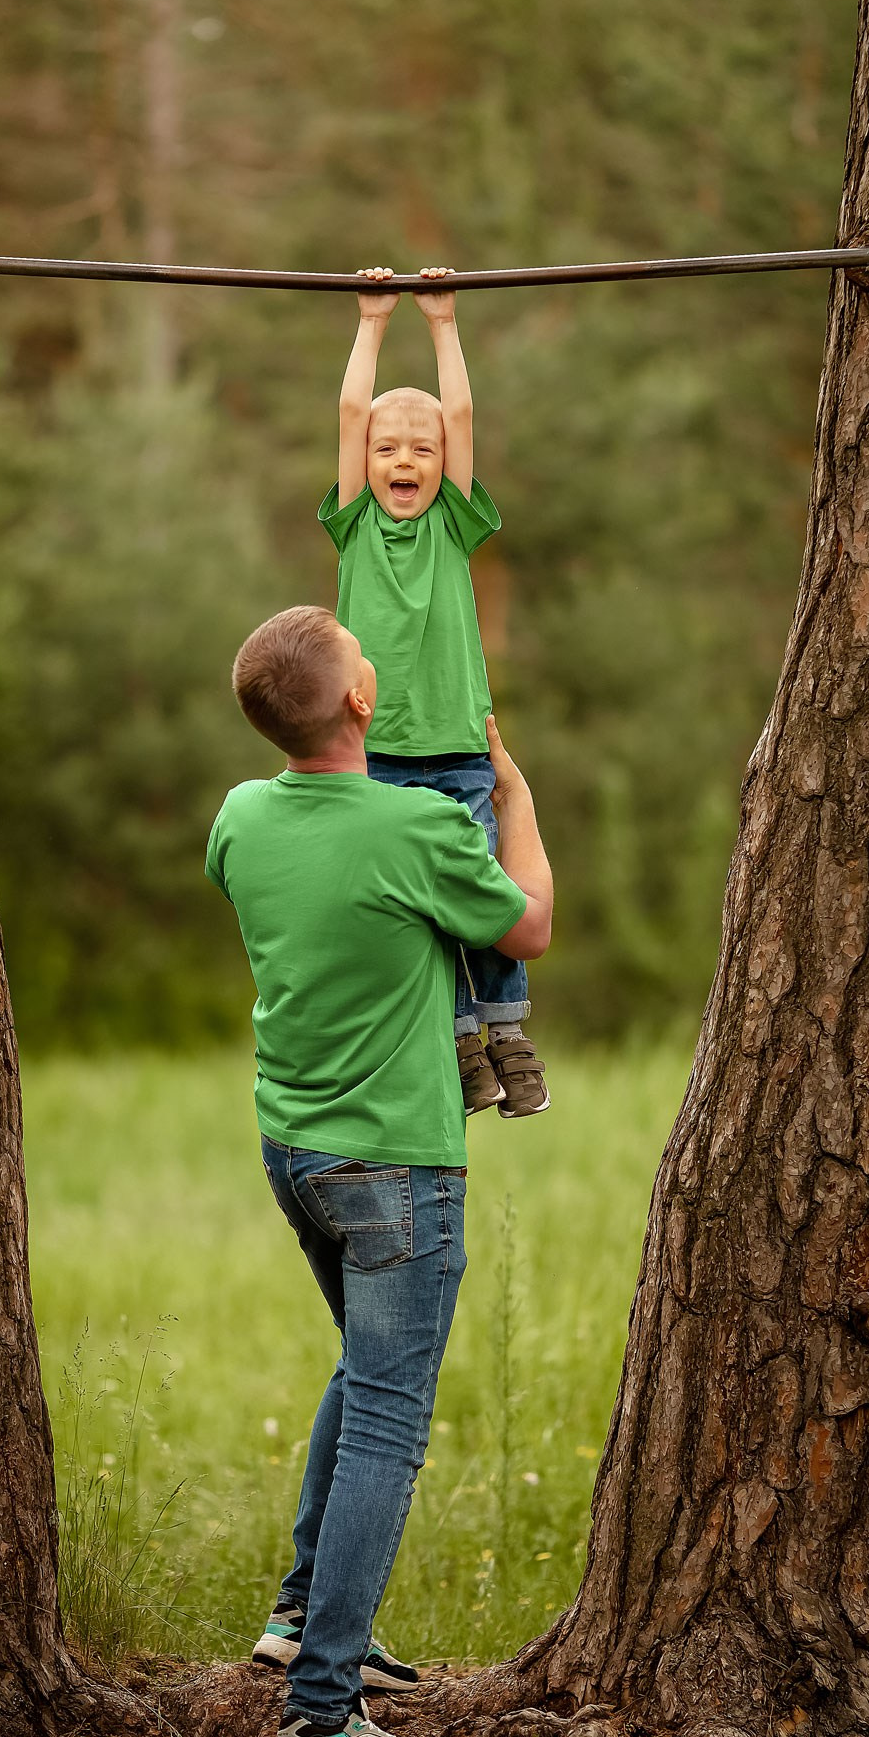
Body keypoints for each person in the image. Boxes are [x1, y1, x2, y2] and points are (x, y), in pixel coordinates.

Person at [205, 605, 553, 1737]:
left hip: (293, 1153)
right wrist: (512, 789)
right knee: (389, 1421)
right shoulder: (417, 826)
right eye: (364, 651)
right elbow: (530, 924)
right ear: (359, 701)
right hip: (397, 1164)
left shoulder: (240, 816)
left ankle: (302, 1614)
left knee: (364, 1371)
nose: (375, 659)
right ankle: (317, 1717)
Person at [320, 264, 550, 1121]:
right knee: (414, 912)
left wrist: (442, 321)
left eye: (419, 449)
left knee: (479, 895)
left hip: (456, 752)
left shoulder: (454, 522)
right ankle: (457, 1043)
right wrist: (373, 321)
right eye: (388, 449)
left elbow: (458, 416)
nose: (403, 458)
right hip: (376, 758)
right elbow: (352, 414)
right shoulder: (354, 526)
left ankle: (507, 1034)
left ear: (443, 465)